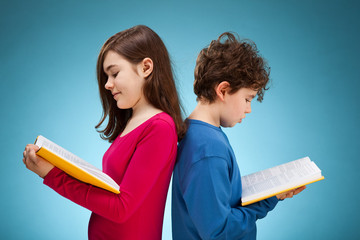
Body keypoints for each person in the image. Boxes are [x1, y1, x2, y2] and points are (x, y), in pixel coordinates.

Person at [22, 25, 185, 240]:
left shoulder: (160, 128)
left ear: (146, 68)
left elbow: (121, 207)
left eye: (114, 73)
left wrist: (52, 175)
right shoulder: (133, 122)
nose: (108, 84)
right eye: (106, 77)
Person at [171, 32, 305, 240]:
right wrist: (270, 199)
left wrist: (270, 193)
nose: (249, 109)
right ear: (223, 90)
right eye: (247, 99)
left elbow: (220, 203)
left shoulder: (202, 135)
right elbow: (218, 232)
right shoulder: (207, 148)